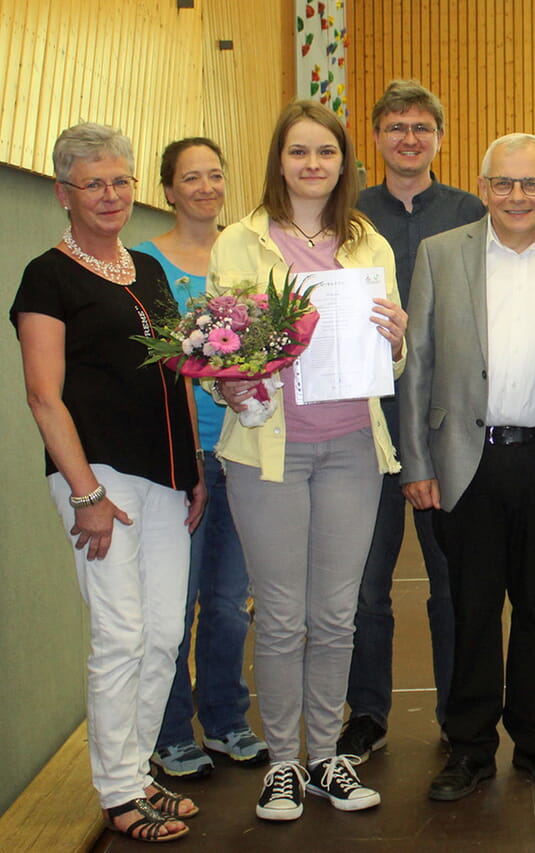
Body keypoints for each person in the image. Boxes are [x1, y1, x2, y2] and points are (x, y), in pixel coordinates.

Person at [400, 133, 535, 802]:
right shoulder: (440, 255)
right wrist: (416, 459)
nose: (517, 196)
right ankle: (468, 746)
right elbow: (417, 365)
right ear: (483, 185)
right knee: (470, 606)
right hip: (465, 460)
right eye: (504, 183)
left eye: (531, 184)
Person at [208, 100, 407, 821]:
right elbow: (220, 342)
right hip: (269, 451)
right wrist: (230, 378)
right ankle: (282, 764)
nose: (313, 164)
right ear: (279, 160)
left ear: (345, 163)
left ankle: (326, 756)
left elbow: (390, 353)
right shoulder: (240, 241)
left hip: (354, 446)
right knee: (284, 615)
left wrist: (396, 337)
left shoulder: (369, 244)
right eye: (299, 152)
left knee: (337, 614)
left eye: (325, 152)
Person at [11, 122, 205, 842]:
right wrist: (86, 493)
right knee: (120, 635)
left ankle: (137, 766)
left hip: (166, 479)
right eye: (93, 183)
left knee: (161, 635)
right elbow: (43, 395)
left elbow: (177, 370)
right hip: (101, 483)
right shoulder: (47, 276)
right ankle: (118, 791)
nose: (110, 194)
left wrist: (193, 471)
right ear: (64, 193)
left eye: (120, 180)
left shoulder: (148, 271)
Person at [338, 79, 486, 763]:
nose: (408, 138)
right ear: (375, 136)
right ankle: (366, 711)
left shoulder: (472, 213)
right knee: (367, 585)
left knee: (453, 581)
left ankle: (462, 713)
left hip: (446, 426)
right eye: (395, 126)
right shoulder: (346, 214)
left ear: (439, 138)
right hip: (364, 425)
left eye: (421, 127)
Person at [135, 137, 269, 779]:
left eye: (216, 174)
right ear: (167, 188)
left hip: (240, 449)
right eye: (191, 177)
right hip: (179, 459)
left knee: (227, 600)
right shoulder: (147, 263)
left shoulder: (244, 252)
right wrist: (186, 456)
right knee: (175, 601)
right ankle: (171, 732)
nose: (206, 186)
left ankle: (225, 721)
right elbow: (161, 370)